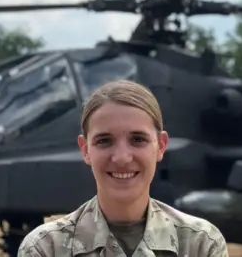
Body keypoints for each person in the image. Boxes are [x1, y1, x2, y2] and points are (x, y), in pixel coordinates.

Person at [17, 80, 229, 257]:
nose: (121, 158)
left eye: (138, 139)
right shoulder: (45, 248)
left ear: (161, 145)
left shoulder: (200, 244)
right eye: (104, 141)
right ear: (85, 149)